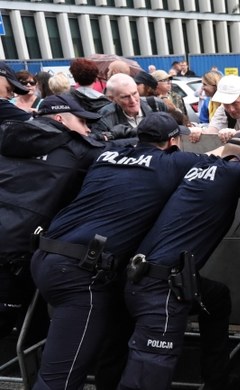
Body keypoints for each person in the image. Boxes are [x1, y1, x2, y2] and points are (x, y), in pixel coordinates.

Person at [30, 112, 206, 390]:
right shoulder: (173, 162)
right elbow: (221, 161)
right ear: (173, 142)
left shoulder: (107, 155)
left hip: (48, 257)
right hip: (79, 273)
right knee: (59, 379)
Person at [118, 132, 240, 390]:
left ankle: (217, 380)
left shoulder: (198, 167)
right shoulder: (236, 173)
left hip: (141, 274)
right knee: (146, 378)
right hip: (163, 287)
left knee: (216, 297)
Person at [0, 94, 104, 342]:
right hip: (21, 252)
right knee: (28, 328)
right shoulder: (78, 150)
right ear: (60, 119)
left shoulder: (7, 136)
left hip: (13, 245)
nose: (88, 129)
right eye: (82, 122)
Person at [92, 74, 169, 140]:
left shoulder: (156, 105)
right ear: (113, 99)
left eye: (134, 93)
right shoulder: (105, 117)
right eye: (125, 97)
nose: (133, 100)